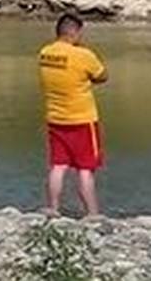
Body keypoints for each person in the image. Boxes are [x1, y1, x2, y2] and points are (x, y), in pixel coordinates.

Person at [38, 12, 108, 217]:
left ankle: (52, 208)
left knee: (58, 166)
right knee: (86, 169)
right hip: (82, 119)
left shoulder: (45, 53)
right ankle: (92, 213)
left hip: (55, 118)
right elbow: (102, 76)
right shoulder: (83, 55)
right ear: (75, 32)